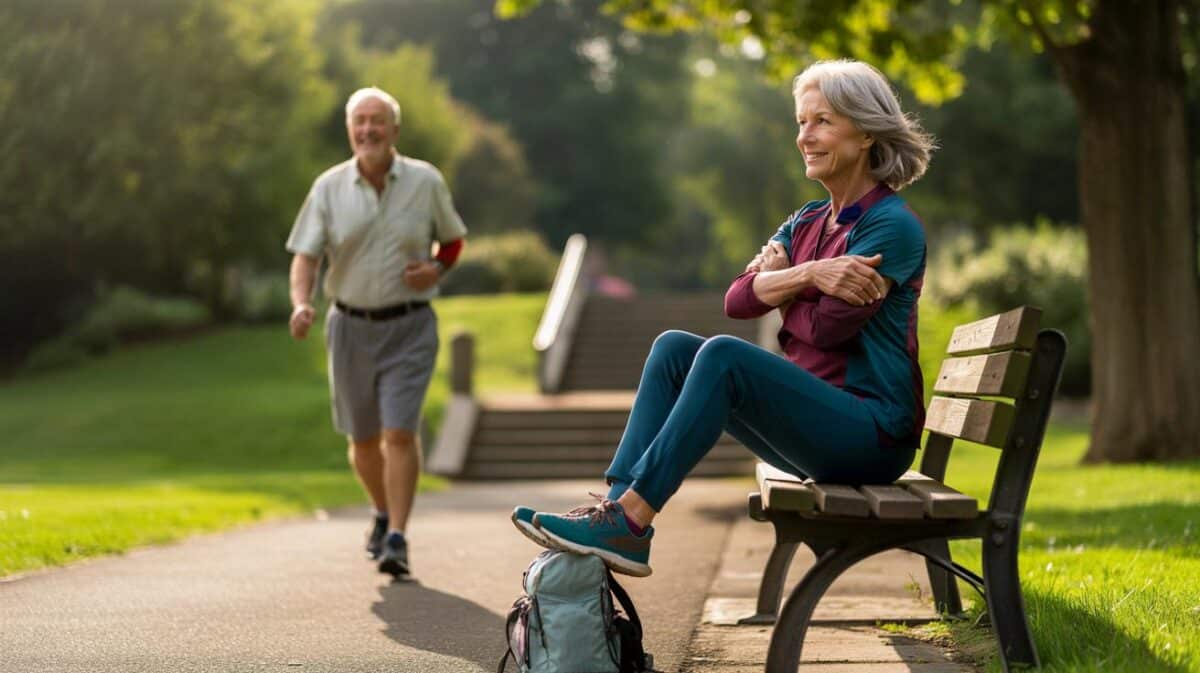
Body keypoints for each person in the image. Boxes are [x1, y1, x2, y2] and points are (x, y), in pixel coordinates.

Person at [512, 59, 934, 578]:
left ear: (866, 131)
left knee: (725, 356)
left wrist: (781, 285)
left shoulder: (891, 227)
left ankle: (633, 521)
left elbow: (827, 329)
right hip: (818, 426)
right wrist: (811, 275)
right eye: (801, 122)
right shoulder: (806, 220)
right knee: (672, 348)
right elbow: (736, 300)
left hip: (871, 435)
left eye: (822, 121)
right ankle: (617, 509)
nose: (806, 136)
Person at [286, 87, 467, 578]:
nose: (368, 129)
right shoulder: (328, 188)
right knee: (363, 440)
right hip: (349, 327)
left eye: (377, 121)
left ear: (394, 130)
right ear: (350, 129)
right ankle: (382, 511)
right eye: (359, 120)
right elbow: (305, 255)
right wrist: (302, 303)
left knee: (399, 432)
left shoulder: (425, 181)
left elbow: (451, 241)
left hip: (409, 326)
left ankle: (398, 537)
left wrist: (435, 269)